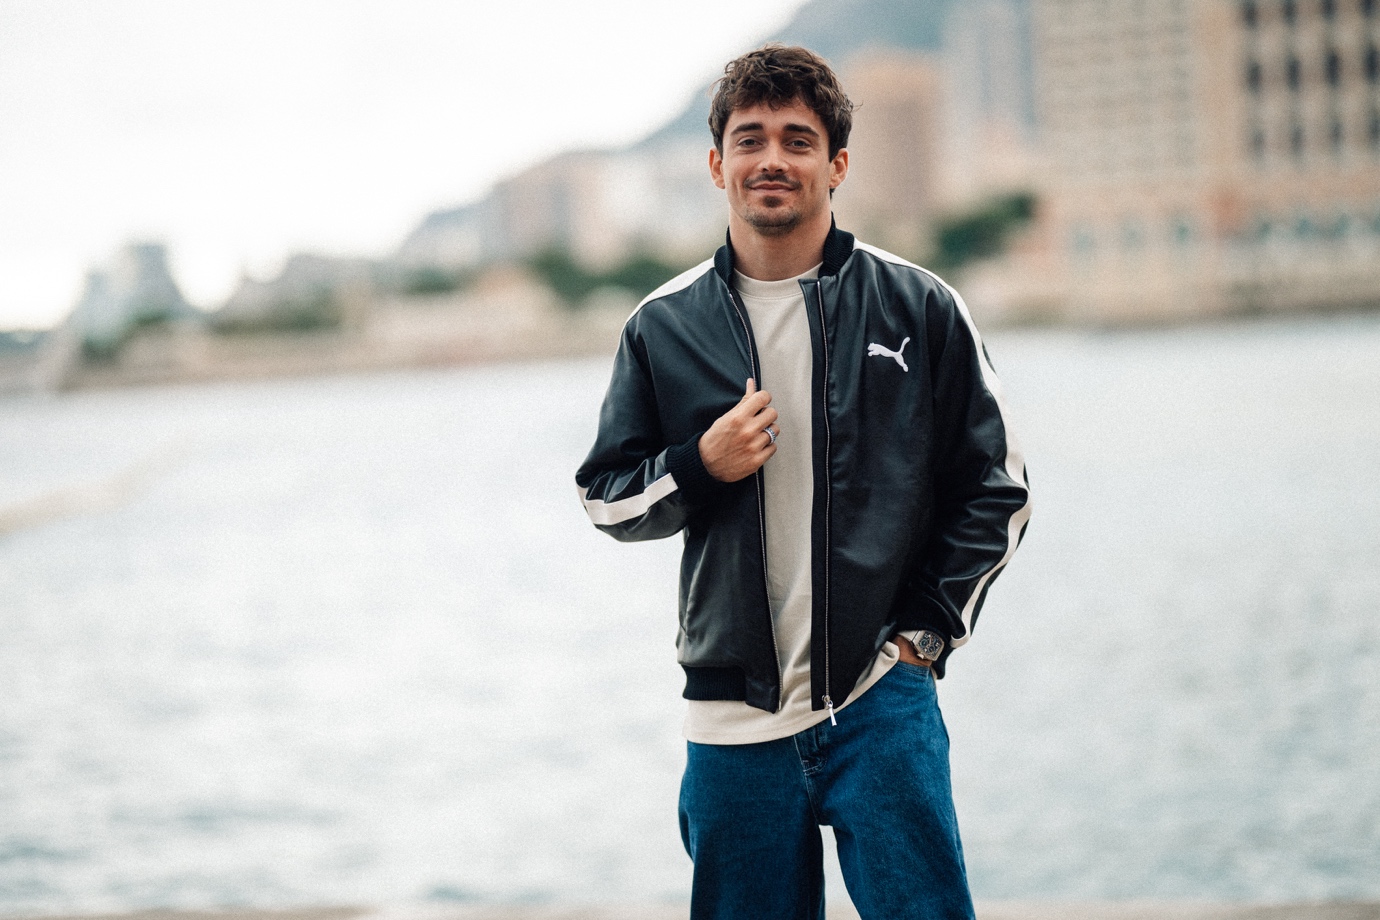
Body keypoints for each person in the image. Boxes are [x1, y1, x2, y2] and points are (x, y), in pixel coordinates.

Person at [575, 44, 1031, 920]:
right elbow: (607, 496)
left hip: (879, 703)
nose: (772, 159)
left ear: (837, 164)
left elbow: (996, 487)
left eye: (798, 139)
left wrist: (924, 638)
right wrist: (699, 466)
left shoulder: (919, 305)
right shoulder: (663, 327)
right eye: (750, 139)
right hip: (733, 722)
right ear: (718, 165)